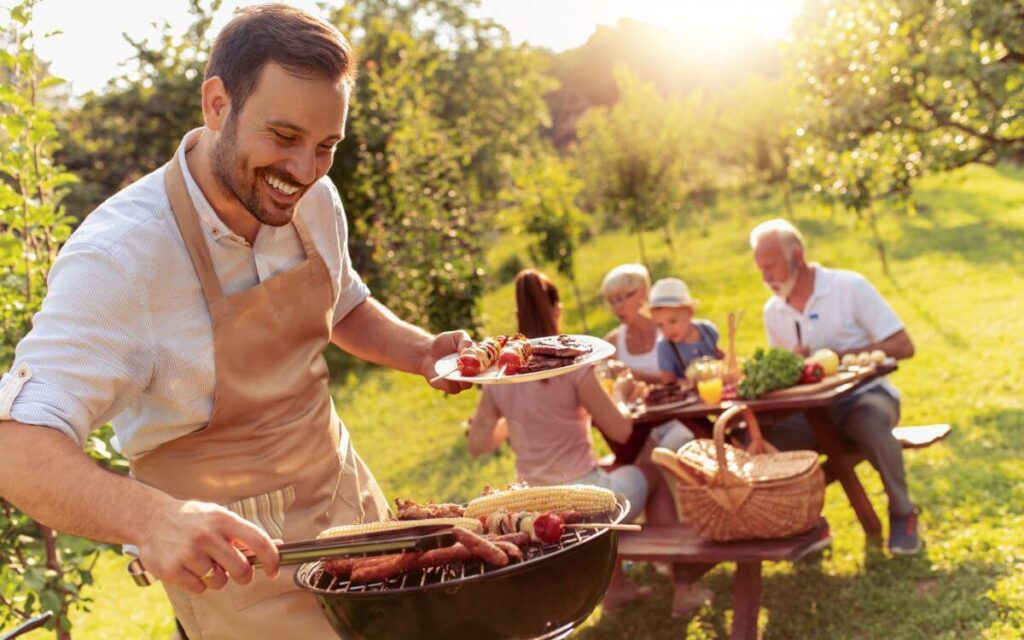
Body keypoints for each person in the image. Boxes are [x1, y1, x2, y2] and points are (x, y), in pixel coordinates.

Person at [0, 6, 472, 638]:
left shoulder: (312, 201)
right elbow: (18, 445)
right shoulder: (119, 259)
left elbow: (344, 302)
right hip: (237, 566)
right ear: (217, 103)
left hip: (349, 505)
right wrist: (152, 521)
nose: (304, 171)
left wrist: (420, 352)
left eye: (325, 146)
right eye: (282, 137)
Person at [467, 269, 692, 610]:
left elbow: (478, 443)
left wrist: (513, 421)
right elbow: (621, 431)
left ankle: (616, 588)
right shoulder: (573, 366)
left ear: (518, 316)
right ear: (557, 310)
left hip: (530, 502)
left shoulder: (501, 374)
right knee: (654, 475)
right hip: (582, 493)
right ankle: (683, 587)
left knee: (610, 472)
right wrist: (619, 392)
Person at [749, 218, 920, 554]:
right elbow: (787, 376)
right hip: (813, 412)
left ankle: (903, 513)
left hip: (867, 397)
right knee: (763, 443)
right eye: (760, 269)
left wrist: (839, 356)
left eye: (771, 267)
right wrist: (795, 366)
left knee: (868, 423)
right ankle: (808, 527)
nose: (765, 277)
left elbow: (903, 345)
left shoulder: (849, 287)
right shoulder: (774, 311)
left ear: (797, 256)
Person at [649, 277, 724, 384]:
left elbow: (719, 355)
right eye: (660, 325)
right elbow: (668, 381)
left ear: (689, 312)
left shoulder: (706, 330)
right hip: (688, 397)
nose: (667, 330)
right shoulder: (665, 347)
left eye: (672, 321)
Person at [601, 264, 665, 384]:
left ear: (641, 293)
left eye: (620, 299)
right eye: (611, 302)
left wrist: (629, 372)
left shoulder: (666, 330)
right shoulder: (611, 344)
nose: (616, 308)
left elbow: (679, 377)